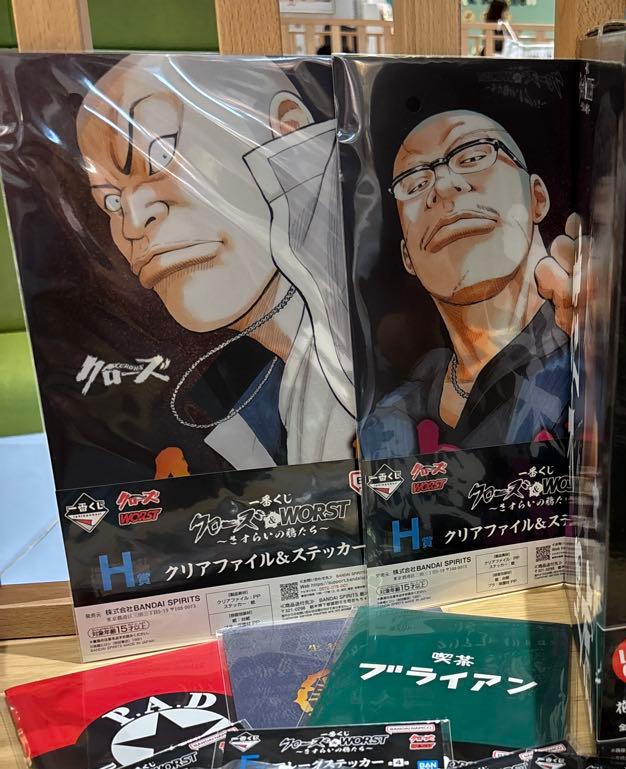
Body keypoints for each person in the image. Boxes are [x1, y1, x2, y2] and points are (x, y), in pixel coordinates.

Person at [76, 55, 357, 472]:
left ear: (288, 129)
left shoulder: (367, 345)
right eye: (112, 202)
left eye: (161, 151)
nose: (132, 223)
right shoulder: (249, 400)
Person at [360, 109, 577, 460]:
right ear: (408, 256)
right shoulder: (393, 418)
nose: (443, 187)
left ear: (537, 198)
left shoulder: (580, 356)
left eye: (474, 156)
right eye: (415, 184)